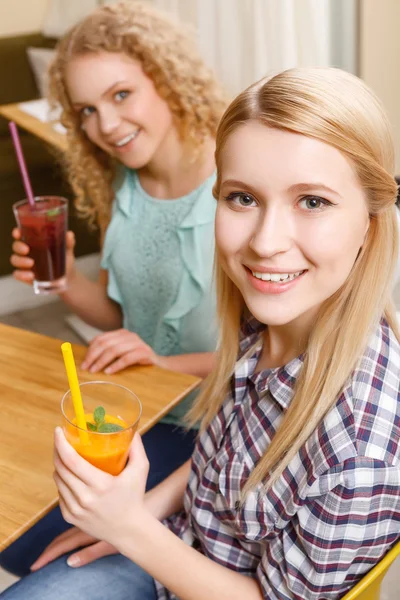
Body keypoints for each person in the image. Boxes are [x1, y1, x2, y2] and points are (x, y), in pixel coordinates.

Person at [2, 66, 400, 600]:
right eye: (242, 198)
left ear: (370, 223)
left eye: (313, 202)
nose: (266, 242)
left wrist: (129, 529)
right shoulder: (273, 317)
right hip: (181, 543)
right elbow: (228, 455)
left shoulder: (363, 456)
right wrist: (141, 511)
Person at [0, 0, 226, 577]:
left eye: (122, 95)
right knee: (20, 521)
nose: (107, 126)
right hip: (144, 411)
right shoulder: (126, 182)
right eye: (88, 110)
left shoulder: (236, 186)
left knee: (52, 544)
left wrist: (164, 361)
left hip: (214, 428)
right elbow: (126, 318)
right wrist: (66, 281)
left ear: (167, 80)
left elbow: (279, 358)